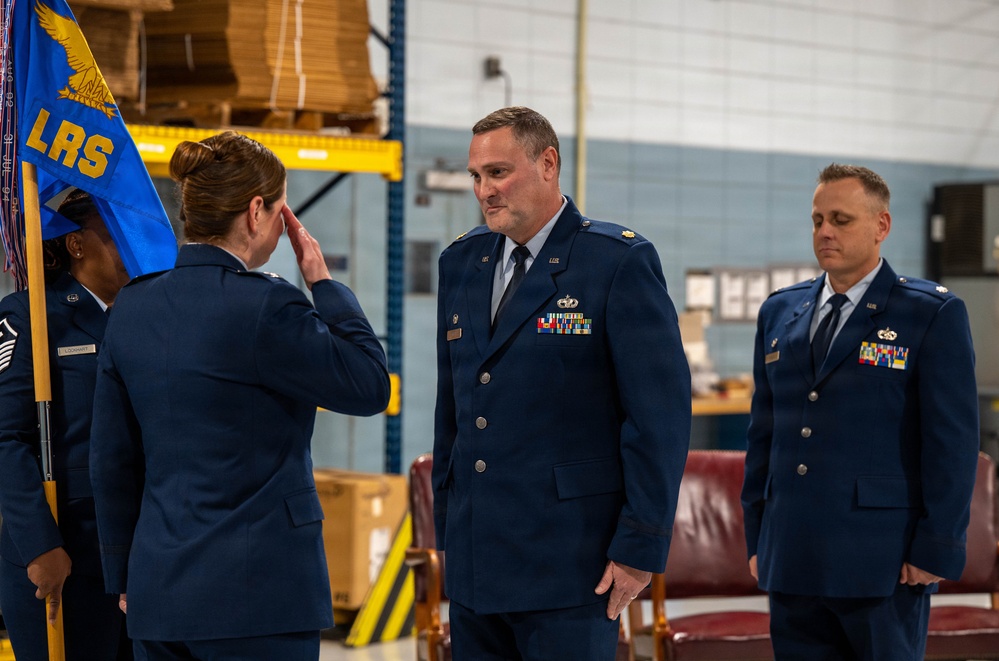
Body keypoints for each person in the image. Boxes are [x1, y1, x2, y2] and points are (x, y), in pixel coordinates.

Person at [88, 130, 390, 660]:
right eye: (280, 211)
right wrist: (322, 282)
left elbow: (111, 461)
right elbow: (369, 385)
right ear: (256, 211)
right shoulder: (267, 307)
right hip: (261, 599)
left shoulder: (130, 309)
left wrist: (124, 575)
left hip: (158, 592)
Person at [433, 106, 691, 660]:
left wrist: (640, 547)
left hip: (573, 560)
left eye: (498, 172)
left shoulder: (616, 262)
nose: (484, 190)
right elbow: (451, 410)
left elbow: (658, 419)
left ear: (547, 163)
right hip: (477, 556)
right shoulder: (461, 262)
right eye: (476, 176)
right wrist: (447, 529)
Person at [741, 163, 980, 660]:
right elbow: (764, 433)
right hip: (793, 555)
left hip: (883, 560)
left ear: (881, 226)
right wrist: (756, 536)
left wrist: (935, 547)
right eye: (817, 219)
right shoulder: (780, 313)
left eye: (841, 220)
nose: (825, 231)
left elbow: (952, 442)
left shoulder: (929, 314)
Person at [0, 190, 133, 660]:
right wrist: (40, 548)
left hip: (137, 560)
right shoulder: (32, 315)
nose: (130, 248)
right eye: (116, 236)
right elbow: (5, 439)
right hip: (64, 556)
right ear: (77, 245)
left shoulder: (144, 318)